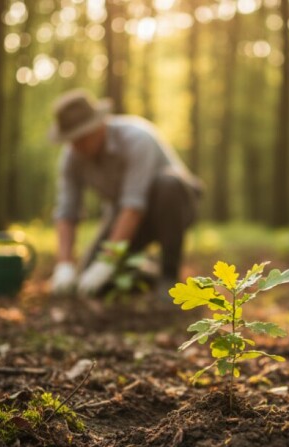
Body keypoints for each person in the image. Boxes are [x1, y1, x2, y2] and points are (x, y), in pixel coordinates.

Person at [47, 89, 202, 298]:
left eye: (82, 136)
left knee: (168, 185)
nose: (77, 145)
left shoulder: (137, 138)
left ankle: (169, 276)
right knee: (90, 282)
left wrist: (108, 261)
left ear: (98, 124)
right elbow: (67, 211)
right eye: (71, 139)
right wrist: (64, 264)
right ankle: (147, 271)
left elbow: (134, 206)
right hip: (123, 217)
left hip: (172, 208)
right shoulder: (72, 156)